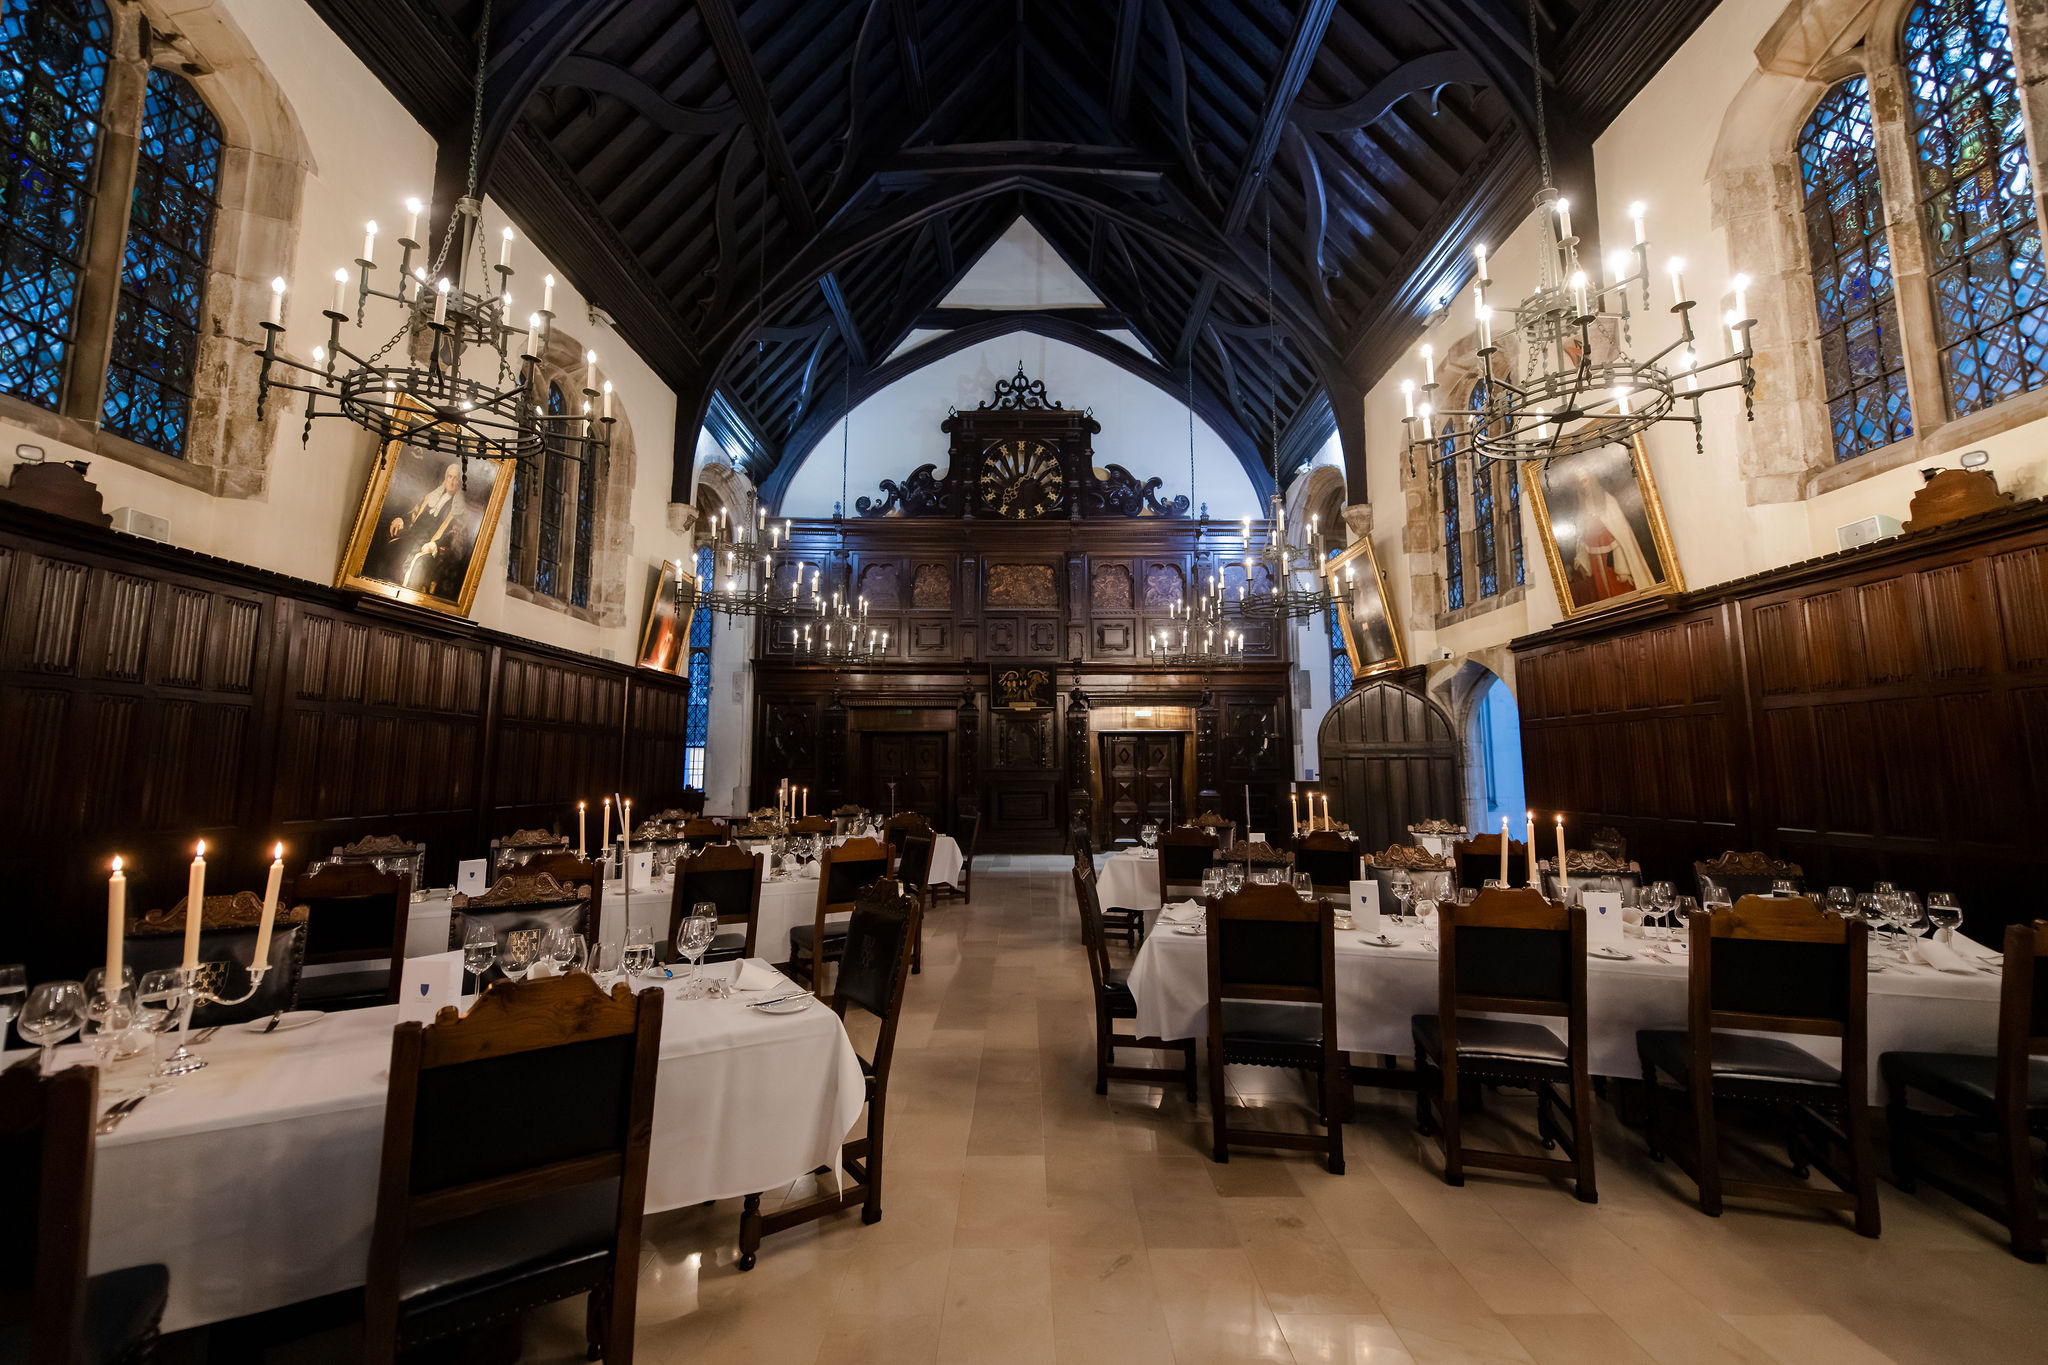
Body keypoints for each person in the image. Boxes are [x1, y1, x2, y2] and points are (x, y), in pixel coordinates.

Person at [369, 460, 473, 598]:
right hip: (411, 537)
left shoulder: (460, 511)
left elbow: (455, 538)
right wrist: (401, 521)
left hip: (428, 547)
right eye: (450, 477)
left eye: (456, 478)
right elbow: (414, 514)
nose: (452, 481)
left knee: (418, 565)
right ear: (445, 478)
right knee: (391, 548)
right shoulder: (430, 496)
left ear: (460, 483)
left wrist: (435, 545)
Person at [1560, 461, 1657, 606]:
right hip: (1595, 558)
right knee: (1603, 593)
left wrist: (1599, 530)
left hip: (1613, 554)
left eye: (1585, 481)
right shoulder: (1583, 506)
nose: (1583, 485)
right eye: (1580, 483)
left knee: (1620, 588)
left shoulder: (1608, 501)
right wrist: (1582, 549)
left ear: (1592, 480)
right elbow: (1581, 534)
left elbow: (1620, 531)